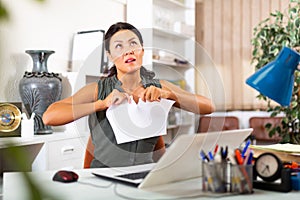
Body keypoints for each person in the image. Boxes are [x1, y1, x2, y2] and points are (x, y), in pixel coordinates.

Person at [43, 22, 215, 168]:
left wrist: (169, 95)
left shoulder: (160, 87)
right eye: (119, 46)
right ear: (110, 56)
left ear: (142, 50)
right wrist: (101, 104)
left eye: (133, 44)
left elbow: (208, 106)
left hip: (142, 176)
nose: (128, 51)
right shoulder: (97, 89)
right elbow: (50, 116)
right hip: (103, 177)